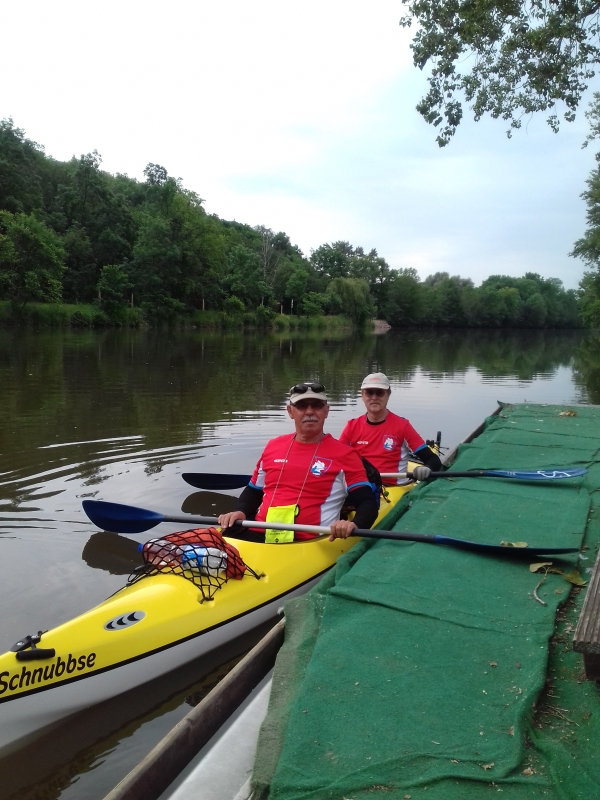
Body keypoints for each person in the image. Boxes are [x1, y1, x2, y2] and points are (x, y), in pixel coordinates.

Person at [218, 382, 379, 542]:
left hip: (307, 542)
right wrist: (240, 512)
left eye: (316, 405)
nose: (309, 411)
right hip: (259, 534)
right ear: (290, 411)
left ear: (326, 410)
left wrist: (355, 525)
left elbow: (367, 502)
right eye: (301, 406)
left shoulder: (346, 455)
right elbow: (254, 490)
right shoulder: (273, 446)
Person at [339, 372, 442, 484]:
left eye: (379, 393)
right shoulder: (351, 426)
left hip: (394, 489)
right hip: (362, 488)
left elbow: (433, 459)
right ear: (362, 396)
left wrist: (427, 468)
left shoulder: (403, 426)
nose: (374, 397)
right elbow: (337, 460)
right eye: (369, 393)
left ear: (388, 394)